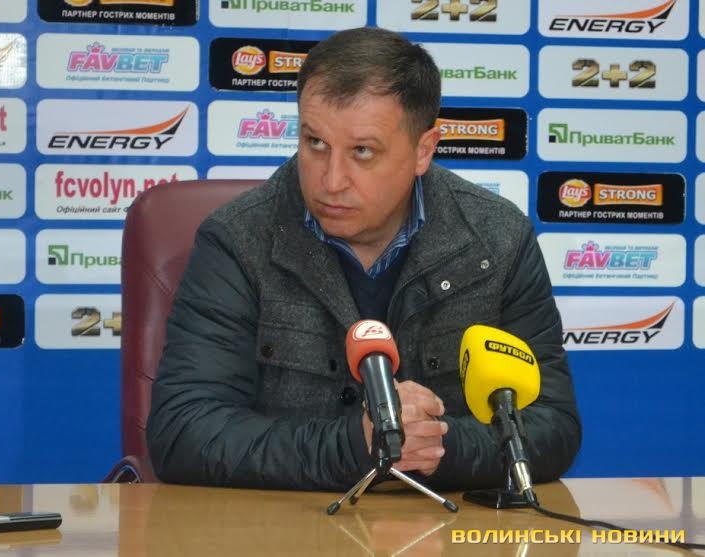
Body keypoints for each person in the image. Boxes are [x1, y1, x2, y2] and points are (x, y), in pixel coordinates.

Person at [147, 26, 581, 491]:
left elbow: (551, 426)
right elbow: (184, 432)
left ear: (423, 150)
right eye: (315, 143)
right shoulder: (238, 241)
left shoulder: (498, 241)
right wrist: (354, 447)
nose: (331, 180)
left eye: (362, 152)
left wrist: (436, 447)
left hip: (444, 524)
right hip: (288, 524)